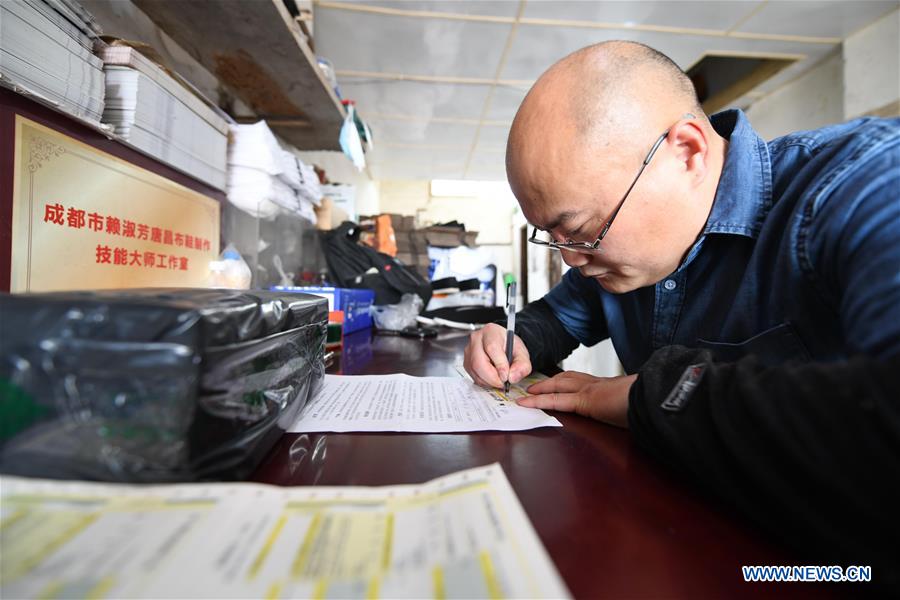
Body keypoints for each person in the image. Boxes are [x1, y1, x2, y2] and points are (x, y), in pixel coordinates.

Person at [463, 41, 900, 587]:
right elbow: (555, 319)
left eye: (578, 229)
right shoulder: (623, 258)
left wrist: (655, 395)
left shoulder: (870, 184)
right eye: (552, 238)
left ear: (688, 152)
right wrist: (513, 338)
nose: (573, 258)